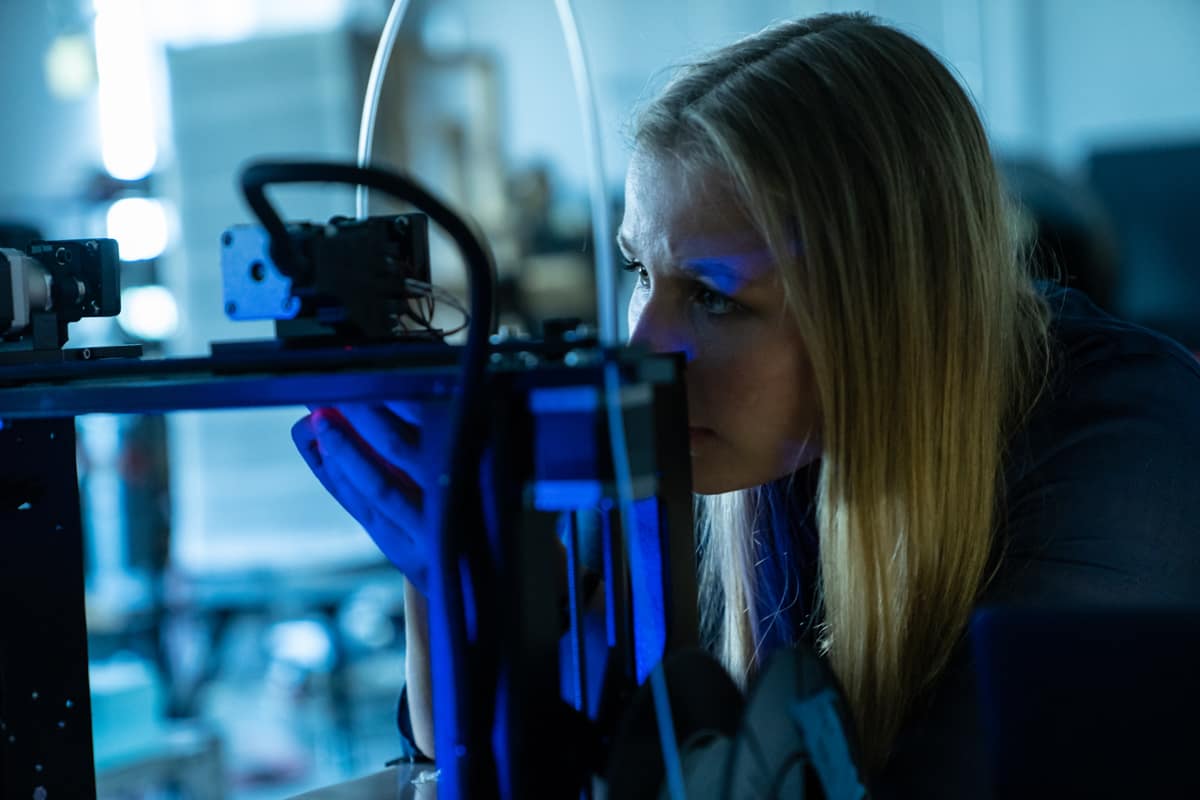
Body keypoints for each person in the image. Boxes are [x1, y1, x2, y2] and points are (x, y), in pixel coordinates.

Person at [292, 12, 1200, 796]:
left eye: (717, 295)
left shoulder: (1124, 463)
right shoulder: (734, 446)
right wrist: (450, 592)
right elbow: (520, 760)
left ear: (882, 305)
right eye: (641, 270)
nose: (646, 345)